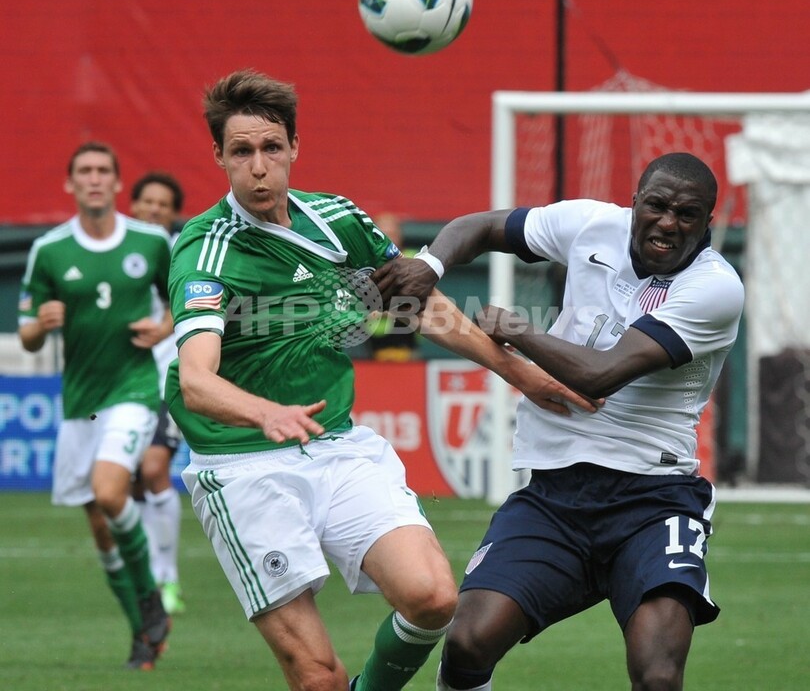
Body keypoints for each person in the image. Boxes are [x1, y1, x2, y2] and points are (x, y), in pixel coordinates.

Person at [164, 68, 596, 691]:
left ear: (294, 147)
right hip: (243, 467)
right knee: (318, 678)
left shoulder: (338, 219)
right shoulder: (205, 249)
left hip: (337, 447)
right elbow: (196, 380)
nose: (258, 167)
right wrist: (265, 412)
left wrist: (518, 372)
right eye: (241, 152)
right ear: (219, 157)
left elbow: (419, 306)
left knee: (434, 599)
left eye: (271, 148)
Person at [372, 152, 745, 691]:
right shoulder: (592, 223)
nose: (668, 223)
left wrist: (515, 331)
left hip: (654, 499)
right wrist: (430, 265)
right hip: (554, 496)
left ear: (707, 222)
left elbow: (599, 375)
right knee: (467, 643)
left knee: (658, 675)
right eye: (657, 206)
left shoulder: (715, 288)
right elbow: (483, 226)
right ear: (635, 202)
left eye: (686, 214)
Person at [18, 142, 174, 670]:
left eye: (103, 170)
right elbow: (27, 333)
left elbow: (184, 298)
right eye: (84, 171)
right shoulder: (50, 250)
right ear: (71, 183)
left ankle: (151, 593)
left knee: (111, 491)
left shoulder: (150, 241)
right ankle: (142, 634)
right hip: (79, 402)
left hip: (134, 389)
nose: (93, 178)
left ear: (116, 182)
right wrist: (41, 325)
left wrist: (164, 329)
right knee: (102, 530)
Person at [130, 171, 187, 615]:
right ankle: (147, 578)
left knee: (153, 468)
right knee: (129, 483)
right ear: (134, 205)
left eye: (162, 204)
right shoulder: (118, 251)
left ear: (173, 214)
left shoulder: (182, 251)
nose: (153, 209)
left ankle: (168, 580)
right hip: (123, 381)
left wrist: (165, 329)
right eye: (147, 202)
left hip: (169, 375)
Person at [366, 212, 419, 361]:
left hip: (407, 341)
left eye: (392, 233)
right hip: (373, 344)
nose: (389, 239)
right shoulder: (365, 264)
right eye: (383, 234)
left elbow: (417, 301)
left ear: (400, 235)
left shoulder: (414, 260)